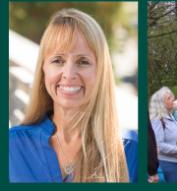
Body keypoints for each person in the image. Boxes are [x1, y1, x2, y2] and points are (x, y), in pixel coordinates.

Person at [9, 9, 137, 182]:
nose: (69, 74)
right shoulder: (12, 145)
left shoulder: (131, 152)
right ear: (43, 69)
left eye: (83, 62)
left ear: (100, 72)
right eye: (58, 61)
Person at [149, 87, 177, 183]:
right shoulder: (157, 119)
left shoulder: (171, 116)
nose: (173, 100)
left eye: (173, 97)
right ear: (161, 103)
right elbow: (158, 145)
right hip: (169, 164)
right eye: (169, 98)